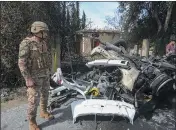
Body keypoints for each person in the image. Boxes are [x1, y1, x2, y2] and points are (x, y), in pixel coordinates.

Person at [18, 21, 54, 130]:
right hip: (33, 77)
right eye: (44, 32)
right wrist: (27, 78)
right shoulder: (27, 43)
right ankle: (32, 122)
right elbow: (21, 62)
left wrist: (49, 72)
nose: (46, 34)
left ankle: (43, 112)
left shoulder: (43, 43)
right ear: (37, 31)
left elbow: (47, 58)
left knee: (45, 95)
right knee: (33, 100)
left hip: (45, 74)